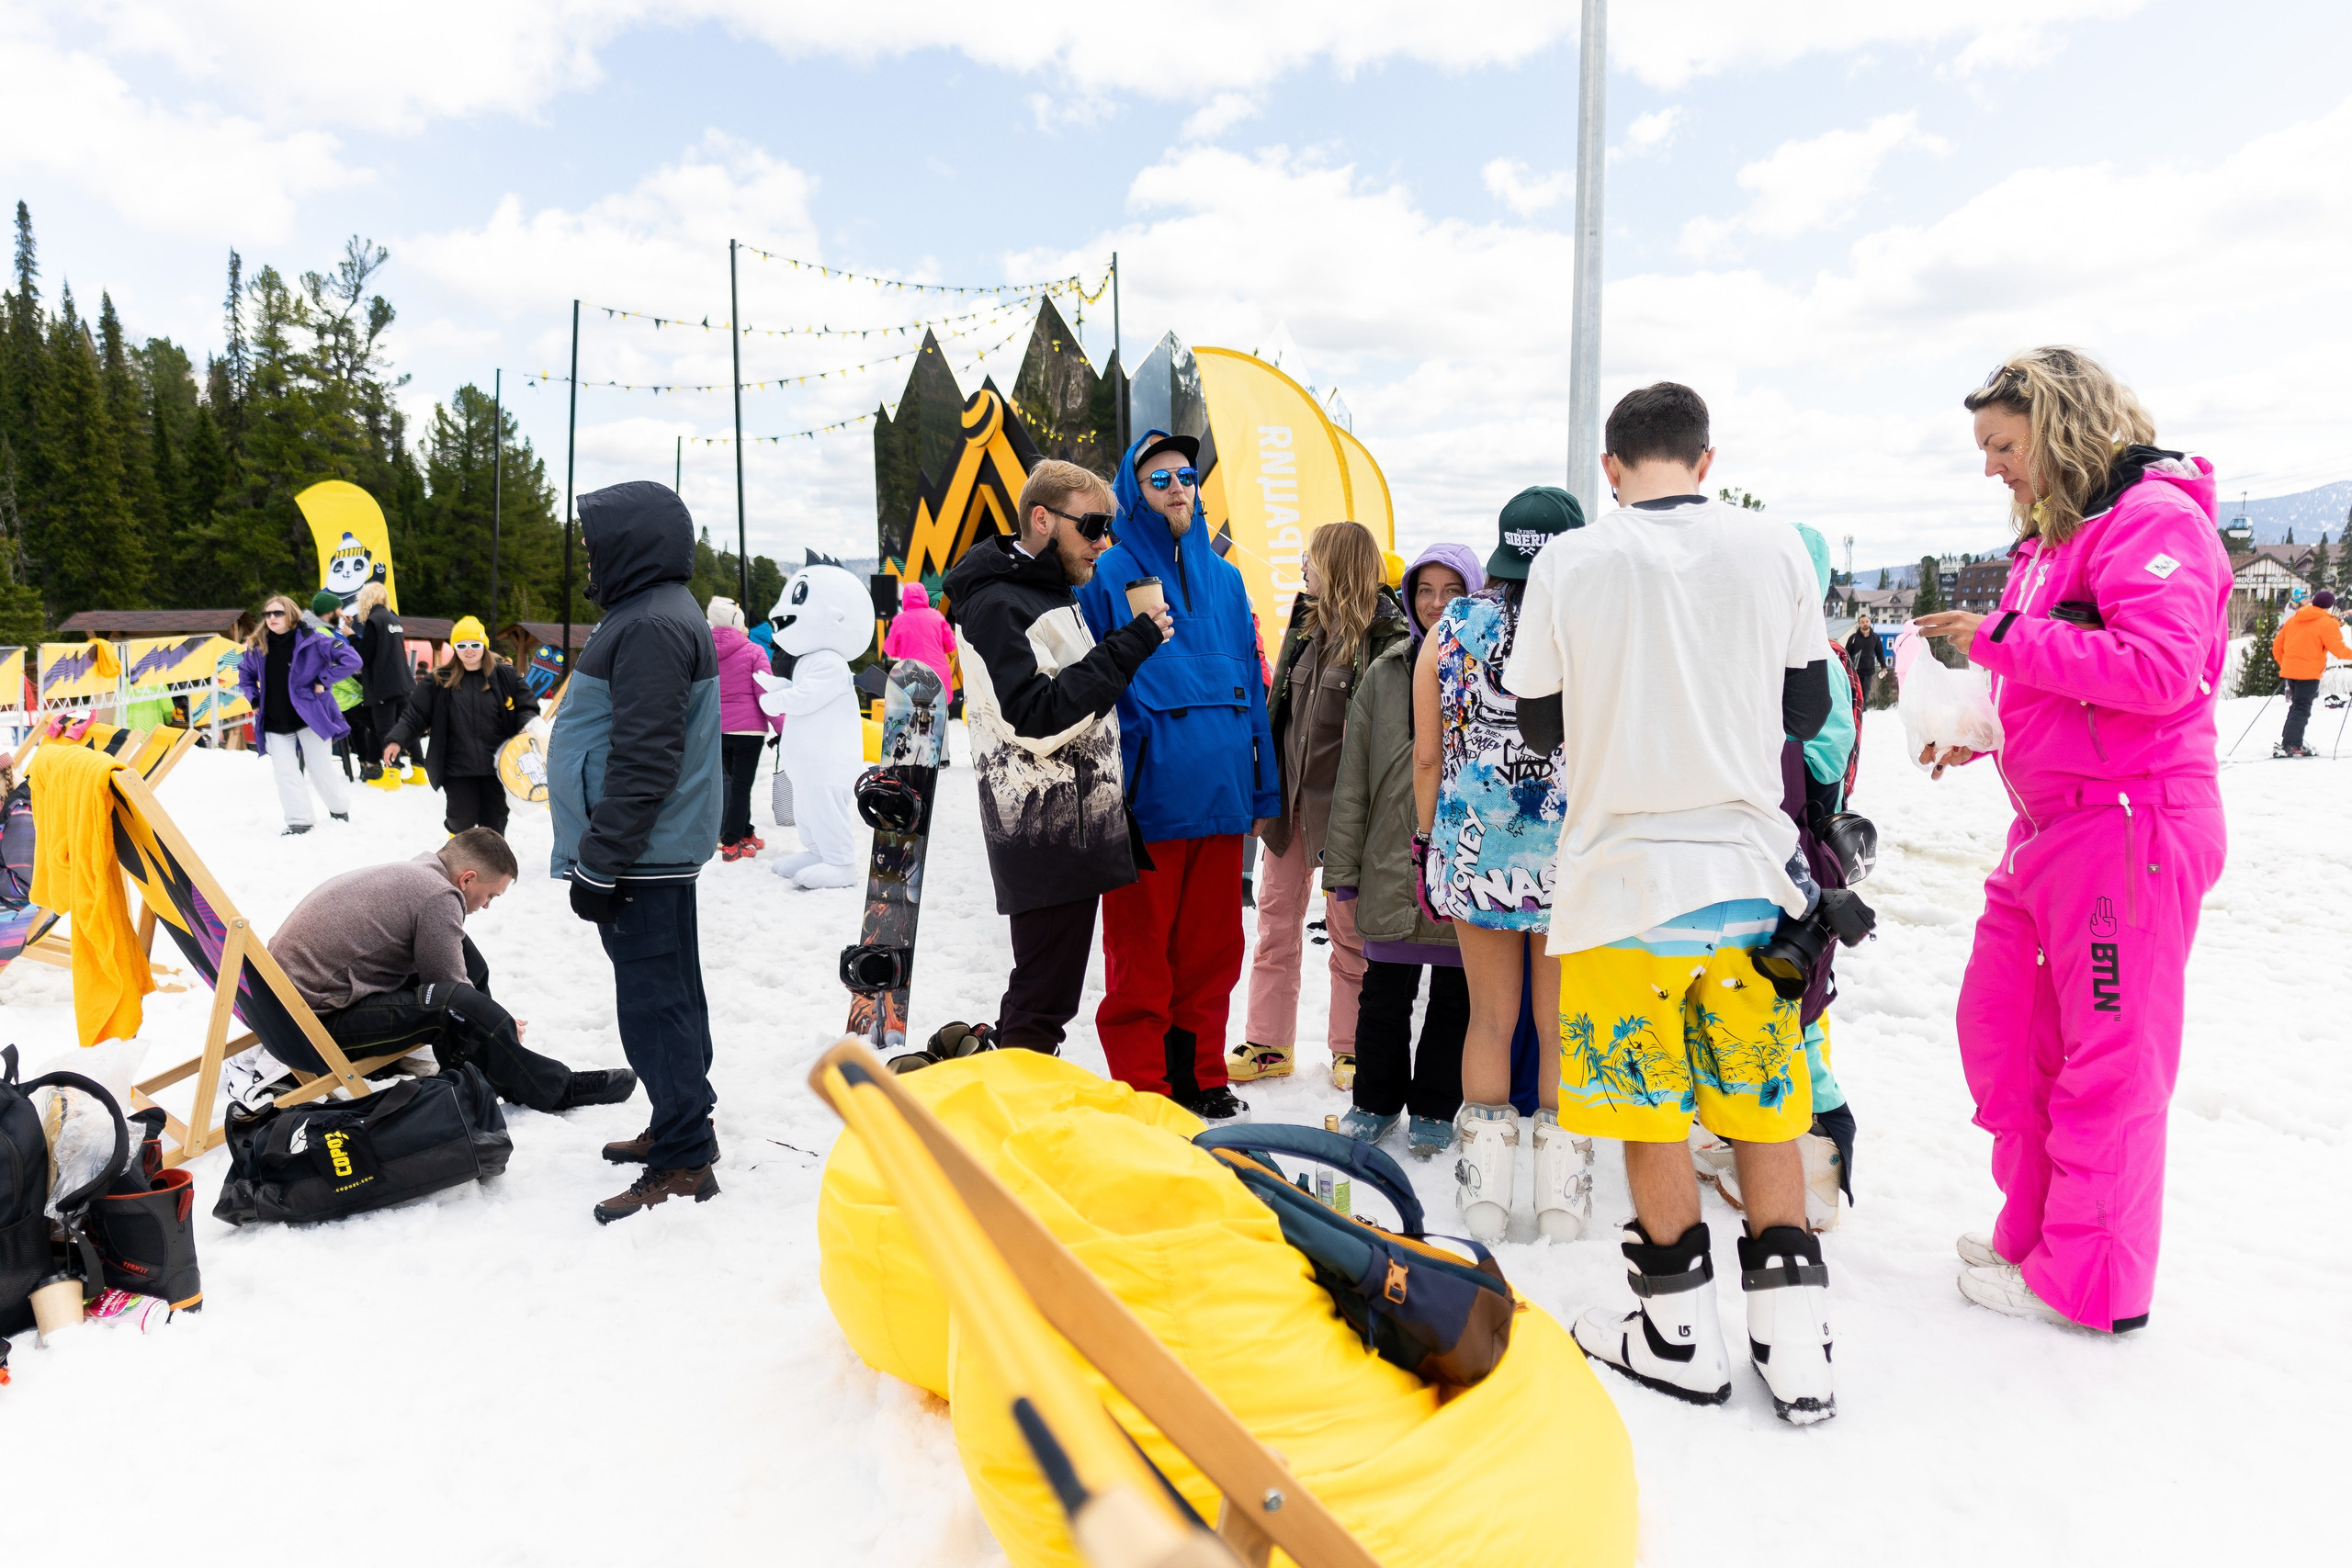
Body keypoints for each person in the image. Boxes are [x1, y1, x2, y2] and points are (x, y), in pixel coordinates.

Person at [1505, 383, 1838, 1423]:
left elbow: (1538, 726)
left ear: (1610, 469)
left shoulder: (1571, 559)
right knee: (1761, 1106)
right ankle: (1797, 1351)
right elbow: (1807, 708)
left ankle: (1676, 1335)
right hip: (1748, 879)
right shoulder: (1775, 545)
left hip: (1624, 885)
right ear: (1703, 460)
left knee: (1646, 1109)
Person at [1916, 347, 2230, 1335]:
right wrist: (1984, 732)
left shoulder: (2154, 521)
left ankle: (2089, 1283)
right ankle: (2036, 1234)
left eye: (2003, 445)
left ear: (2058, 427)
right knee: (2009, 1031)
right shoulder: (2061, 532)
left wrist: (1997, 637)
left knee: (2108, 1056)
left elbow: (2161, 669)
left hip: (2125, 827)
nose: (1991, 468)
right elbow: (2073, 675)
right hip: (2054, 826)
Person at [1072, 431, 1278, 1122]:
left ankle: (1202, 1074)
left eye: (1187, 476)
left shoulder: (1226, 577)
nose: (1180, 488)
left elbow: (1252, 685)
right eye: (1161, 479)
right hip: (1147, 803)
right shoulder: (1110, 572)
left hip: (1221, 797)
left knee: (1214, 950)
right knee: (1141, 956)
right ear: (1134, 492)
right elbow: (1093, 685)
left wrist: (1264, 787)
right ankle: (1143, 1085)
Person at [936, 459, 1170, 1057]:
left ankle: (1003, 1087)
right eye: (1090, 525)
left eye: (1107, 528)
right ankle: (1015, 1121)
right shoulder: (999, 604)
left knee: (1043, 992)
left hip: (1065, 824)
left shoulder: (1044, 591)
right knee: (1045, 1000)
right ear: (1042, 519)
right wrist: (1132, 643)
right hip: (1042, 828)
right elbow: (1037, 718)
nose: (1102, 542)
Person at [548, 479, 726, 1224]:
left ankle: (683, 1158)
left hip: (638, 854)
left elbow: (645, 756)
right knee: (671, 995)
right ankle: (683, 1115)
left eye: (596, 542)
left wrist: (600, 859)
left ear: (633, 543)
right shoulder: (652, 612)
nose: (590, 554)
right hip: (650, 852)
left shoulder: (651, 622)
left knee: (654, 1007)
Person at [1414, 487, 1583, 1238]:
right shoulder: (1591, 629)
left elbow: (1426, 756)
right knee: (1558, 1022)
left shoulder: (1452, 625)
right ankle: (1562, 1204)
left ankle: (1482, 1200)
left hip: (1477, 851)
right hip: (1569, 858)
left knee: (1488, 1018)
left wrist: (1428, 842)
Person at [267, 829, 636, 1114]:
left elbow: (455, 969)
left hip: (285, 1008)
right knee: (453, 1003)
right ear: (467, 879)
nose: (488, 906)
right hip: (310, 1030)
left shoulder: (419, 874)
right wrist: (495, 1021)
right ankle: (554, 1088)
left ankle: (487, 1061)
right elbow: (449, 991)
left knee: (464, 956)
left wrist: (493, 1024)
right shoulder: (438, 896)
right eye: (491, 895)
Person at [1324, 541, 1481, 1155]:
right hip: (1391, 865)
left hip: (1464, 866)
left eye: (1452, 591)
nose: (1437, 603)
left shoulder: (1488, 669)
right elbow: (1353, 777)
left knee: (1454, 1000)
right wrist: (1343, 868)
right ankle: (1375, 1100)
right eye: (1425, 590)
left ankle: (1437, 1107)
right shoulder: (1386, 671)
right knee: (1384, 996)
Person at [1234, 521, 1401, 1089]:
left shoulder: (1385, 634)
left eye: (1313, 555)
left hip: (1349, 812)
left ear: (1339, 563)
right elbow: (1279, 711)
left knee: (1349, 933)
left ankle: (1350, 1050)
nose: (1303, 563)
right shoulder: (1305, 625)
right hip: (1291, 804)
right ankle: (1267, 1044)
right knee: (1275, 922)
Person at [379, 615, 538, 836]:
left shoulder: (504, 676)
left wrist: (528, 724)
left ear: (484, 645)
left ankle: (492, 866)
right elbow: (415, 714)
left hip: (499, 766)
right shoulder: (438, 680)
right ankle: (459, 858)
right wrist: (397, 739)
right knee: (460, 818)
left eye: (475, 644)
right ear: (454, 648)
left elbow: (526, 705)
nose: (469, 650)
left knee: (494, 822)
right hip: (458, 766)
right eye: (462, 645)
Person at [238, 592, 362, 836]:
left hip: (310, 718)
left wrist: (323, 680)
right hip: (274, 720)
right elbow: (245, 674)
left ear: (291, 614)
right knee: (285, 773)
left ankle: (339, 810)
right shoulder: (258, 644)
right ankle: (299, 821)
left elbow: (352, 659)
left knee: (320, 768)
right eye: (267, 614)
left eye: (278, 613)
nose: (271, 618)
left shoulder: (313, 639)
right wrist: (253, 698)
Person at [707, 595, 781, 861]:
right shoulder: (754, 651)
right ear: (738, 623)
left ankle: (746, 832)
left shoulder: (705, 651)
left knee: (734, 785)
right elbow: (766, 693)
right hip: (749, 732)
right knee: (741, 786)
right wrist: (782, 727)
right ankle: (731, 842)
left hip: (719, 729)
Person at [882, 581, 959, 765]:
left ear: (905, 599)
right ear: (924, 597)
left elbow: (889, 648)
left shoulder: (900, 619)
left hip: (912, 673)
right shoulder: (936, 616)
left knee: (913, 713)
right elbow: (950, 645)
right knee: (939, 712)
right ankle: (942, 758)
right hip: (937, 673)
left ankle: (917, 755)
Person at [350, 582, 415, 784]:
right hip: (402, 683)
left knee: (385, 730)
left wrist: (351, 637)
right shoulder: (393, 619)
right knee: (401, 727)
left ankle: (392, 773)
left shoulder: (374, 621)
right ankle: (417, 767)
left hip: (383, 686)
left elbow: (364, 655)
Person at [2270, 587, 2347, 757]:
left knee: (2296, 706)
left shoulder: (2294, 619)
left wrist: (2286, 664)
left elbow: (2277, 646)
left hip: (2290, 671)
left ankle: (2289, 741)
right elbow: (2339, 650)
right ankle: (2291, 744)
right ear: (2329, 606)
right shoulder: (2327, 623)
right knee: (2302, 708)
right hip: (2309, 672)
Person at [1845, 612, 1885, 706]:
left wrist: (1883, 666)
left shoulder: (1875, 638)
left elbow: (1880, 653)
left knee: (1865, 695)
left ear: (1870, 622)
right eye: (1862, 622)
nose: (1865, 623)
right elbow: (1847, 654)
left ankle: (1861, 713)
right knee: (1854, 694)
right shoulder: (1853, 638)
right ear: (1859, 624)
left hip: (1869, 671)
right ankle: (1854, 712)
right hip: (1855, 672)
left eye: (1867, 621)